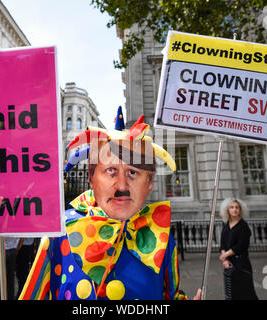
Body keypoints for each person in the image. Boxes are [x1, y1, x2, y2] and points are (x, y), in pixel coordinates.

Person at [19, 109, 200, 300]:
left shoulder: (160, 237)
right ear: (91, 178)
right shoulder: (60, 231)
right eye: (111, 171)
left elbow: (172, 295)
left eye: (133, 173)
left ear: (149, 183)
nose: (121, 186)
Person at [219, 198, 258, 300]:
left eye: (237, 207)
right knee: (232, 293)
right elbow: (223, 244)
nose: (234, 209)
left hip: (241, 263)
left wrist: (225, 255)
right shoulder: (226, 225)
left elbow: (241, 245)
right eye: (231, 207)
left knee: (246, 293)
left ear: (241, 210)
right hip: (229, 264)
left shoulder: (243, 226)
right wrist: (225, 260)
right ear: (227, 210)